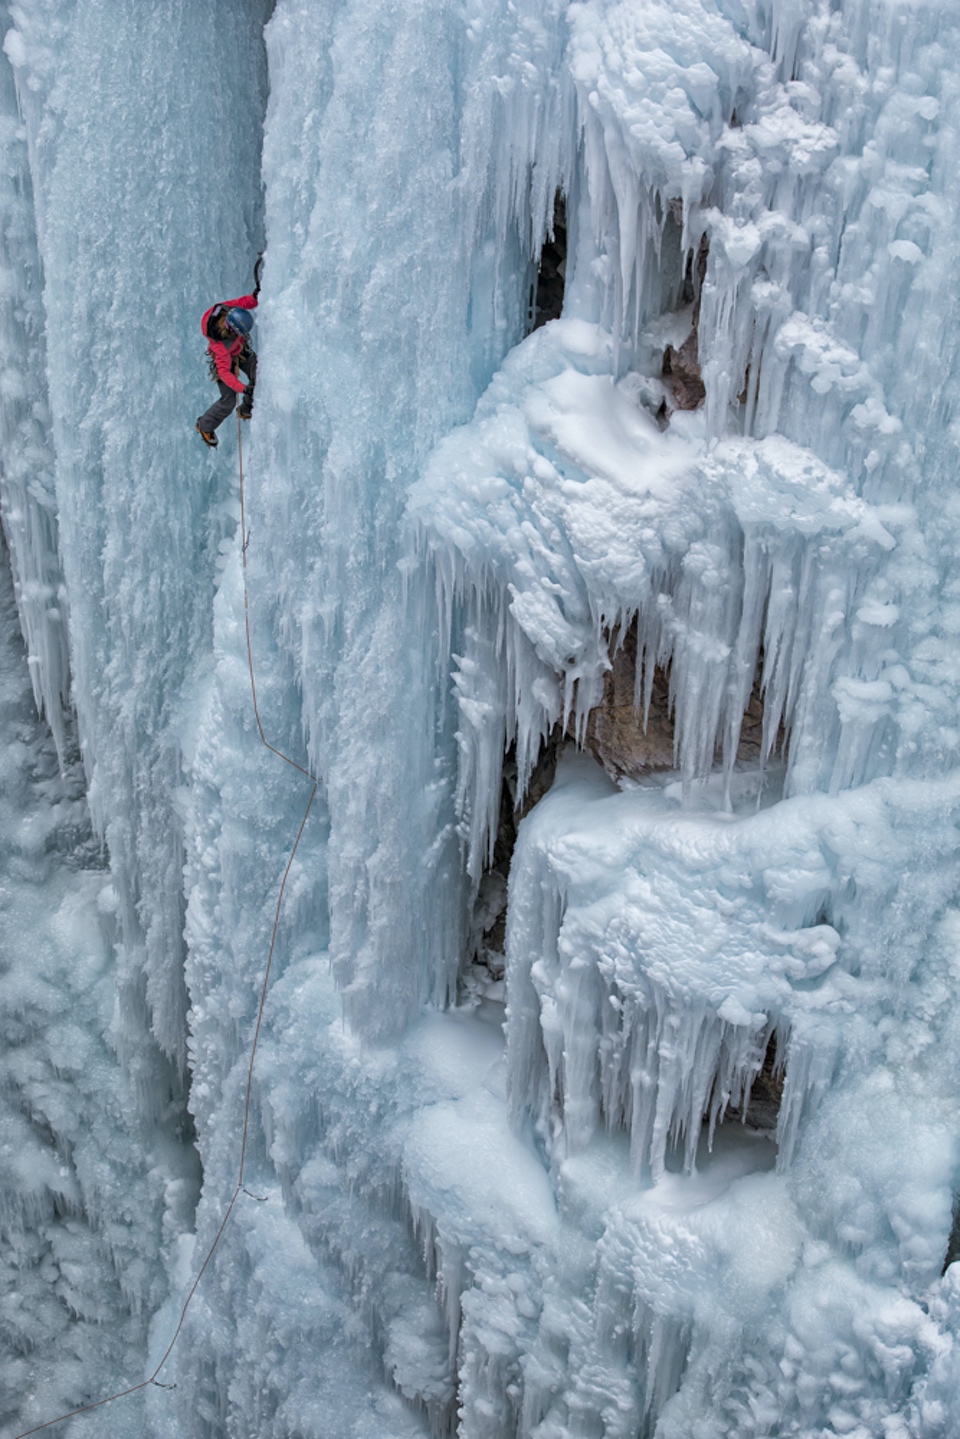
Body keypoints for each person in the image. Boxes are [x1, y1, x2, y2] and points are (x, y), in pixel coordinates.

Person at [196, 261, 261, 447]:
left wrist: (255, 297)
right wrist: (242, 388)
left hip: (240, 351)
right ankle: (205, 425)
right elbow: (224, 373)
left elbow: (242, 303)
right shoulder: (220, 346)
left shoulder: (224, 309)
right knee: (228, 400)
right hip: (227, 358)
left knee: (258, 372)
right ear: (232, 331)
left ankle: (246, 409)